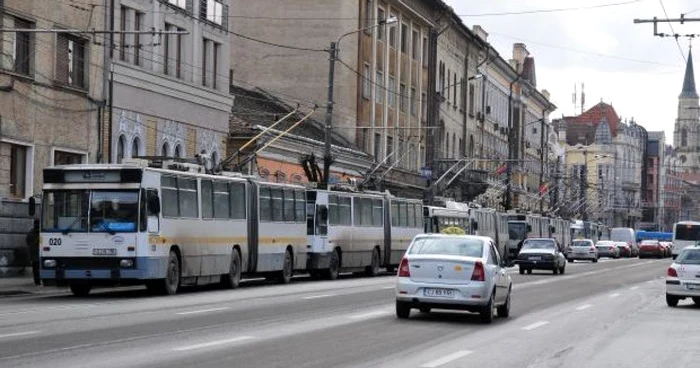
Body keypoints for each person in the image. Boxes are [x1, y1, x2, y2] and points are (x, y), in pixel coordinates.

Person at [25, 219, 40, 285]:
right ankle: (39, 281)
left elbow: (27, 241)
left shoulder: (30, 232)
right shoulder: (41, 232)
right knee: (39, 268)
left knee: (35, 268)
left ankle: (36, 281)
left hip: (33, 252)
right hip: (40, 252)